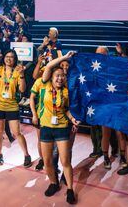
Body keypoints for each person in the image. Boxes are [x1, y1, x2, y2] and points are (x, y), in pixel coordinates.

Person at [31, 51, 79, 204]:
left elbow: (66, 109)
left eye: (62, 76)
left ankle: (70, 189)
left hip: (61, 128)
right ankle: (54, 183)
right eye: (56, 75)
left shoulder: (66, 91)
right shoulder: (44, 84)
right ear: (51, 77)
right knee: (47, 161)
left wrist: (72, 118)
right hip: (46, 127)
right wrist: (64, 58)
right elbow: (50, 66)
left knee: (65, 161)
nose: (59, 78)